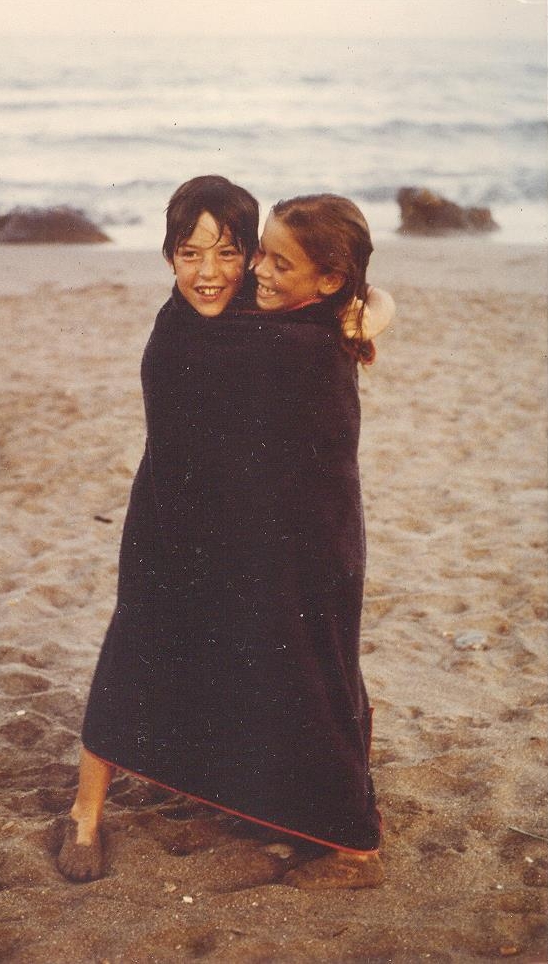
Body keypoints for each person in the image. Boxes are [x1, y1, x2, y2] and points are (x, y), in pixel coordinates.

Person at [58, 176, 392, 888]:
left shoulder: (293, 325)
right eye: (188, 252)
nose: (210, 272)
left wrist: (368, 319)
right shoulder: (183, 321)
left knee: (291, 666)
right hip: (174, 516)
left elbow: (364, 301)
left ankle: (322, 827)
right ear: (167, 254)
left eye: (231, 253)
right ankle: (84, 813)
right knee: (135, 643)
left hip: (278, 534)